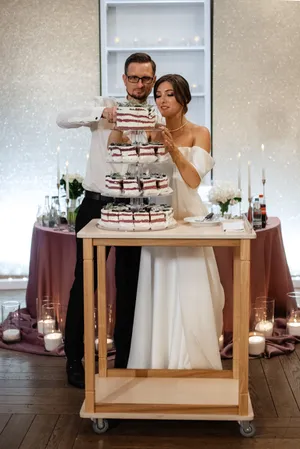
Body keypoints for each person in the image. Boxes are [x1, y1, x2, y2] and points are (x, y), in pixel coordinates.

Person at [56, 53, 157, 388]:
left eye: (146, 79)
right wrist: (101, 113)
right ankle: (75, 359)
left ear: (153, 81)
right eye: (134, 78)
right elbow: (62, 118)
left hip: (137, 208)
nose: (140, 84)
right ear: (124, 79)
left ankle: (126, 360)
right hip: (97, 207)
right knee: (86, 283)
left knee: (130, 286)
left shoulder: (156, 115)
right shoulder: (104, 106)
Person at [125, 74, 225, 369]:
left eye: (169, 94)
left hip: (190, 219)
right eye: (158, 95)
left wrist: (172, 149)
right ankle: (157, 362)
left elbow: (193, 180)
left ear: (184, 99)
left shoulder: (199, 132)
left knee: (193, 290)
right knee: (159, 289)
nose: (162, 100)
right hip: (157, 219)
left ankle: (196, 365)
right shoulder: (150, 132)